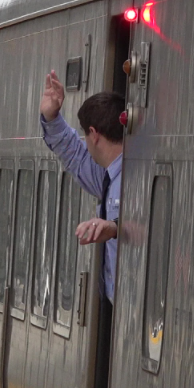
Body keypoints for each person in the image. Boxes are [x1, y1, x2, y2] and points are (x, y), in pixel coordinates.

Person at [39, 70, 123, 301]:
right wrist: (52, 118)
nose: (84, 142)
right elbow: (74, 153)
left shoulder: (135, 178)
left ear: (93, 135)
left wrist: (115, 227)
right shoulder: (107, 176)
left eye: (85, 135)